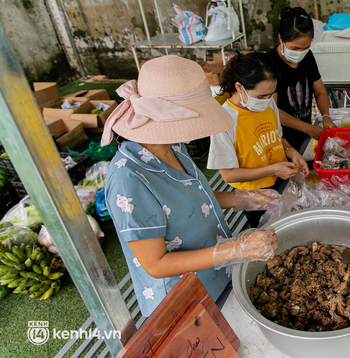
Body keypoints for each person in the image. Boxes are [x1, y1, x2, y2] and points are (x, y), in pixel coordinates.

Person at [102, 55, 280, 317]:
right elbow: (156, 264)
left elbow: (192, 197)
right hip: (183, 299)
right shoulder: (128, 179)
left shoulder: (173, 144)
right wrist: (234, 249)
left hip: (218, 273)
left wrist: (240, 199)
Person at [207, 51, 309, 227]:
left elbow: (277, 138)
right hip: (255, 196)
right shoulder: (224, 120)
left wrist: (293, 153)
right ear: (240, 88)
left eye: (271, 93)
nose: (268, 100)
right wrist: (272, 170)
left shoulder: (268, 104)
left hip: (282, 179)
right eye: (262, 96)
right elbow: (229, 175)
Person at [266, 7, 337, 152]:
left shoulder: (307, 57)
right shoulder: (269, 64)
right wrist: (306, 127)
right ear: (280, 39)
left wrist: (325, 116)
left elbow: (320, 92)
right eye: (295, 48)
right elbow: (271, 109)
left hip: (304, 137)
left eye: (306, 48)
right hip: (281, 139)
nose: (300, 53)